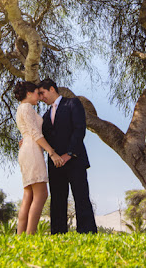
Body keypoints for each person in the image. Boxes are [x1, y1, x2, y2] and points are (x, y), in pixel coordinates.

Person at [38, 78, 98, 234]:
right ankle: (57, 234)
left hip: (75, 159)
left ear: (52, 89)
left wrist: (69, 154)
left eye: (42, 93)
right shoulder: (45, 115)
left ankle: (87, 233)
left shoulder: (72, 103)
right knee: (57, 200)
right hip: (55, 163)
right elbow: (41, 135)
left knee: (81, 197)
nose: (41, 97)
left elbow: (79, 129)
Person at [14, 80, 64, 235]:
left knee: (28, 195)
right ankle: (30, 234)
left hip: (26, 150)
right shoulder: (27, 107)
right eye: (37, 93)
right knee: (41, 194)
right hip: (32, 151)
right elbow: (35, 133)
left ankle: (21, 236)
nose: (39, 97)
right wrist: (52, 152)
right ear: (29, 93)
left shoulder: (20, 109)